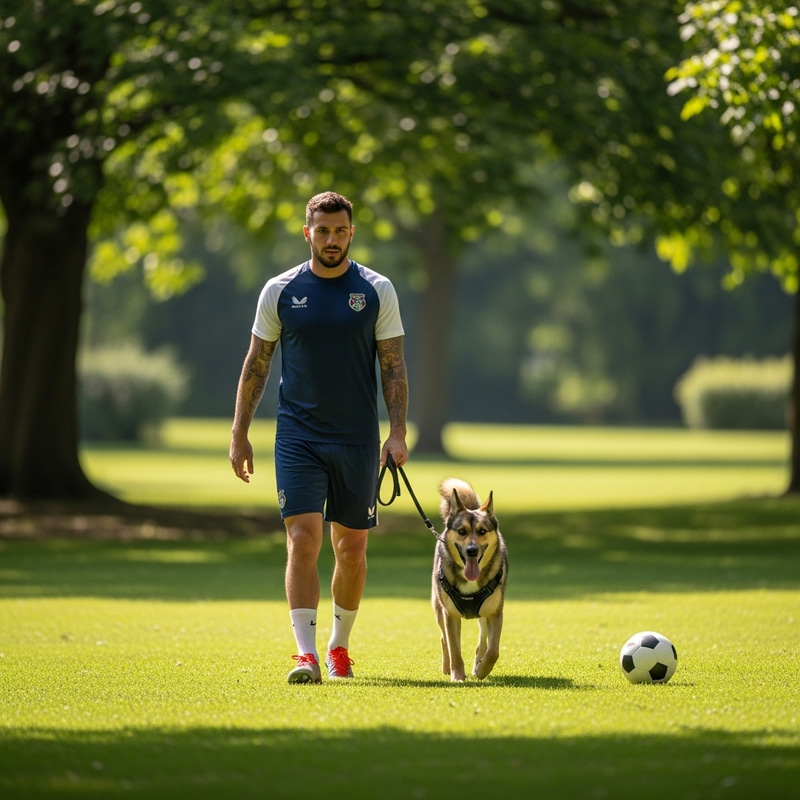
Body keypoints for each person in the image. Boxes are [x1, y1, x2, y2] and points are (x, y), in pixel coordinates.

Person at [229, 191, 409, 684]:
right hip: (297, 437)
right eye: (323, 231)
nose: (332, 239)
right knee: (302, 541)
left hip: (356, 439)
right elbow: (257, 363)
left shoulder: (377, 289)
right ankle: (305, 655)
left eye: (341, 231)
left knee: (351, 551)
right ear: (307, 233)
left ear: (352, 233)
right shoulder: (280, 290)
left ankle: (338, 646)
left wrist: (396, 432)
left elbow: (392, 365)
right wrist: (239, 433)